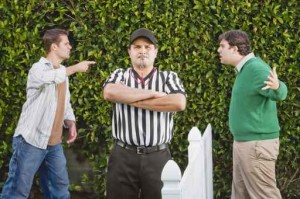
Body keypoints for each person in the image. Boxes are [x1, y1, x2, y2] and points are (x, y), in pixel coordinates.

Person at [1, 28, 95, 199]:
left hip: (53, 144)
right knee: (17, 191)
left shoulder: (63, 72)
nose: (70, 47)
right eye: (66, 44)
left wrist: (71, 122)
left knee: (59, 190)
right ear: (54, 47)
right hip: (30, 141)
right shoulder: (38, 69)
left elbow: (64, 102)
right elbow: (50, 77)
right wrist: (75, 68)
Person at [103, 28, 187, 199]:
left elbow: (178, 102)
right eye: (137, 47)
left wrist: (128, 97)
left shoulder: (168, 77)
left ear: (155, 51)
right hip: (123, 156)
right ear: (129, 52)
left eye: (147, 47)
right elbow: (110, 93)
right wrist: (153, 94)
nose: (142, 51)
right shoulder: (120, 74)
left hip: (157, 157)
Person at [217, 30, 288, 199]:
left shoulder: (255, 68)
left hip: (256, 146)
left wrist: (278, 86)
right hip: (245, 144)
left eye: (222, 46)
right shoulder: (245, 70)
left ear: (234, 49)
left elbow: (280, 93)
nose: (218, 50)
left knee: (264, 195)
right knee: (241, 195)